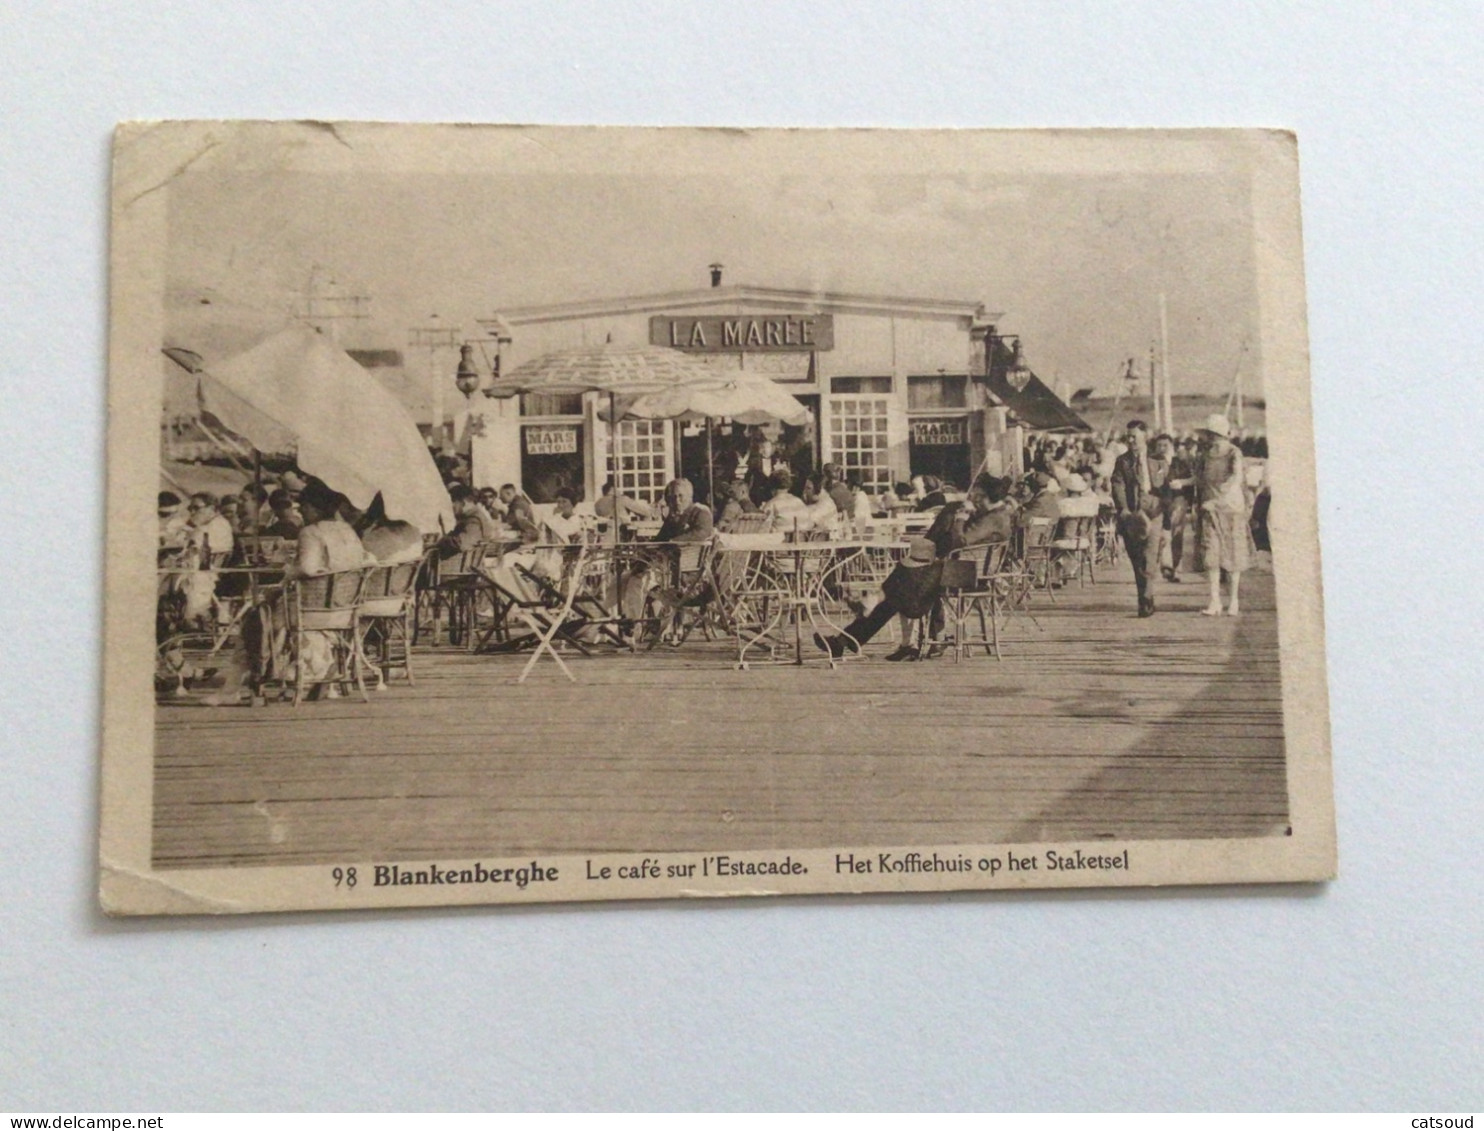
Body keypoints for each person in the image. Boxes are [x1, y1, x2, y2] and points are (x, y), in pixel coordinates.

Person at [816, 537, 944, 661]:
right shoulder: (938, 568)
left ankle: (845, 637)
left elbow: (891, 586)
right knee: (887, 603)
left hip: (912, 603)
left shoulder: (906, 569)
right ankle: (844, 639)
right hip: (924, 603)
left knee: (885, 604)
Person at [1109, 419, 1169, 617]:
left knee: (1149, 557)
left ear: (1145, 435)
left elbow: (1166, 488)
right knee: (1136, 559)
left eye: (1134, 436)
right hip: (1132, 515)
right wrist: (1123, 509)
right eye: (1129, 436)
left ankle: (1146, 599)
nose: (1131, 439)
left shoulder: (1158, 459)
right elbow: (1117, 485)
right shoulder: (1123, 461)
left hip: (1154, 512)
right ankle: (1144, 595)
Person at [1194, 413, 1249, 616]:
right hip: (1210, 510)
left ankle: (1234, 600)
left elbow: (1236, 478)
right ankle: (1215, 601)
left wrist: (1218, 499)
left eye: (1209, 434)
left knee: (1233, 556)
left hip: (1231, 509)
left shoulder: (1234, 453)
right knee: (1212, 555)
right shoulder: (1206, 455)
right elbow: (1199, 479)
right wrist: (1182, 483)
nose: (1207, 439)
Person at [1156, 433, 1195, 582]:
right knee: (1160, 534)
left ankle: (1175, 567)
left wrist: (1187, 500)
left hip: (1177, 500)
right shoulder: (1152, 462)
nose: (1162, 448)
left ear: (1171, 446)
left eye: (1165, 445)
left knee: (1177, 534)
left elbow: (1189, 482)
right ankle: (1163, 565)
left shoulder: (1180, 462)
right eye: (1159, 445)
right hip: (1159, 500)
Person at [438, 484, 501, 559]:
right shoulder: (473, 517)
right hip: (466, 565)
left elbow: (462, 544)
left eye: (453, 502)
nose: (452, 506)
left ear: (463, 502)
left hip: (458, 568)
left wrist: (440, 541)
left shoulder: (474, 520)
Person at [655, 478, 713, 543]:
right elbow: (661, 538)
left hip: (691, 551)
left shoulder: (700, 512)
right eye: (674, 497)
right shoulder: (673, 515)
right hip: (672, 551)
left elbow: (701, 533)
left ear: (689, 496)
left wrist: (674, 541)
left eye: (681, 496)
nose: (677, 500)